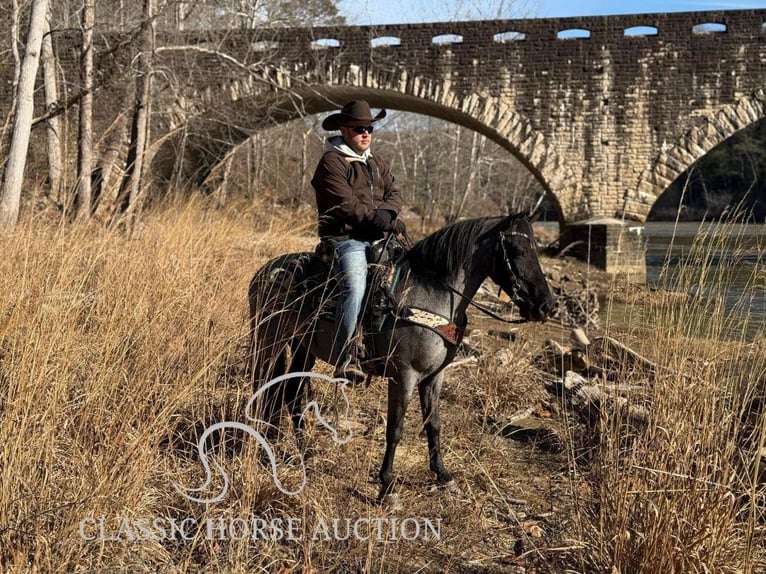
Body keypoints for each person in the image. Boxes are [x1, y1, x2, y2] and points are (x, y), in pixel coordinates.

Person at [311, 100, 404, 384]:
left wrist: (389, 214)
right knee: (356, 284)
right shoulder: (332, 162)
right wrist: (378, 219)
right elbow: (345, 204)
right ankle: (344, 358)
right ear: (344, 129)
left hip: (377, 236)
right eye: (359, 129)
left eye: (369, 129)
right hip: (344, 239)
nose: (366, 134)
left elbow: (394, 191)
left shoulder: (376, 162)